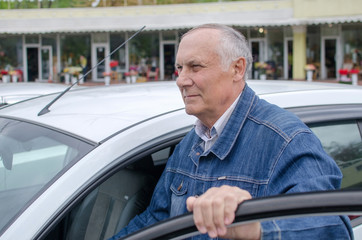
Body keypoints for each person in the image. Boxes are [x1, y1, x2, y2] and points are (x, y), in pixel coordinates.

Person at [110, 24, 352, 239]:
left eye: (195, 67)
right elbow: (155, 220)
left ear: (237, 69)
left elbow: (332, 227)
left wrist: (254, 229)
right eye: (179, 68)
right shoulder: (189, 144)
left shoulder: (286, 141)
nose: (181, 80)